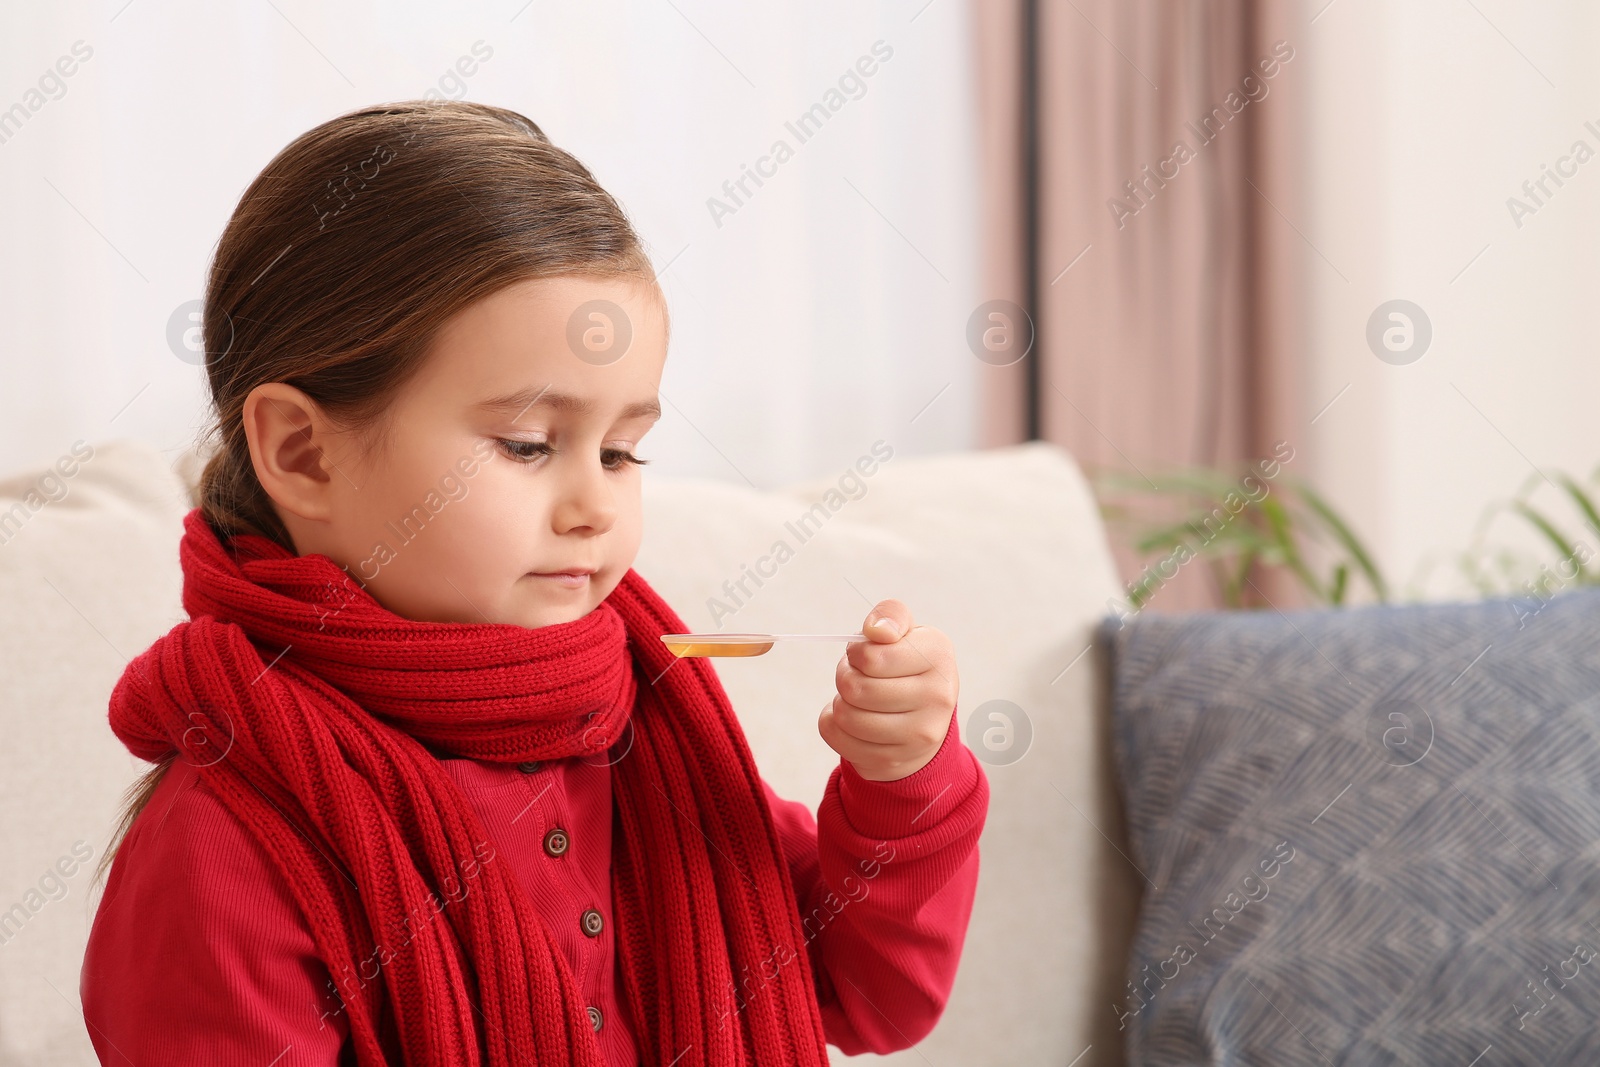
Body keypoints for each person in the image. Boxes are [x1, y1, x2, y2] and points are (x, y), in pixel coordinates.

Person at [78, 100, 989, 1066]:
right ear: (303, 452)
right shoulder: (223, 848)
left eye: (624, 450)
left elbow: (869, 995)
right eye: (526, 443)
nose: (594, 503)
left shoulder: (647, 729)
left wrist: (901, 784)